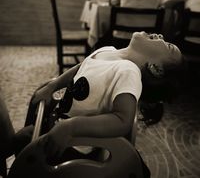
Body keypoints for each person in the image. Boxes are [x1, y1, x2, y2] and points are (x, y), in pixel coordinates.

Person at [28, 31, 183, 164]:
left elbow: (123, 120)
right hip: (56, 124)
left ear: (155, 68)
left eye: (168, 46)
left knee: (22, 149)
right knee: (23, 138)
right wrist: (52, 87)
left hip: (74, 147)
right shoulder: (107, 50)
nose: (161, 35)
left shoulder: (128, 71)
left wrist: (71, 127)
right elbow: (78, 68)